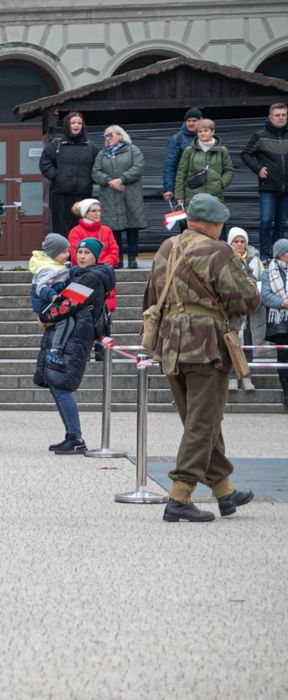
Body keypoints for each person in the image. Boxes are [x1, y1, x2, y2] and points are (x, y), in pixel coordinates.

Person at [143, 193, 261, 522]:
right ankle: (179, 496)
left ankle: (224, 490)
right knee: (202, 422)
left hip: (170, 344)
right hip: (207, 345)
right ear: (213, 224)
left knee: (201, 419)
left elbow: (151, 295)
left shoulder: (167, 247)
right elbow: (247, 298)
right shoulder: (218, 250)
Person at [33, 237, 116, 455]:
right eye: (79, 252)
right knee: (56, 384)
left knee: (62, 385)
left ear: (96, 256)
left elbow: (68, 303)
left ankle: (76, 438)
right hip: (70, 334)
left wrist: (44, 317)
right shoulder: (78, 273)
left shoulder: (91, 277)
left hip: (76, 336)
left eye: (88, 253)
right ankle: (71, 435)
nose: (82, 256)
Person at [92, 125, 146, 269]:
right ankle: (117, 259)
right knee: (113, 229)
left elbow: (138, 167)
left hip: (130, 194)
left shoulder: (133, 150)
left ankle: (133, 258)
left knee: (132, 227)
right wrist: (109, 181)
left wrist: (121, 179)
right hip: (110, 196)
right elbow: (95, 172)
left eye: (111, 135)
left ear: (121, 136)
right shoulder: (102, 154)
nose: (107, 138)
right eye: (106, 136)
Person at [40, 111, 99, 234]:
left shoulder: (91, 147)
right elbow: (45, 162)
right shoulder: (56, 145)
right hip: (60, 194)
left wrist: (90, 179)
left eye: (79, 123)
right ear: (67, 125)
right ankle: (64, 253)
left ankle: (81, 253)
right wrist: (56, 177)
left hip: (83, 194)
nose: (76, 126)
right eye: (73, 123)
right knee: (61, 229)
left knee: (83, 229)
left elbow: (97, 166)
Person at [242, 102, 288, 252]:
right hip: (268, 187)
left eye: (283, 115)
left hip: (287, 188)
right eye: (277, 115)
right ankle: (264, 255)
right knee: (266, 221)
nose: (281, 118)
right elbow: (245, 154)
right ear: (270, 117)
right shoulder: (260, 136)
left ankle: (277, 255)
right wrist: (258, 168)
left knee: (282, 223)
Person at [226, 227, 264, 393]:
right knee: (232, 344)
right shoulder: (224, 259)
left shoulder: (255, 260)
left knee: (247, 343)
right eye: (236, 241)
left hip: (249, 310)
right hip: (231, 310)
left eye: (242, 241)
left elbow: (262, 280)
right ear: (230, 242)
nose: (239, 244)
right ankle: (232, 377)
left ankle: (247, 377)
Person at [67, 199, 121, 313]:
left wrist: (104, 265)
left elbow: (114, 251)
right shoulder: (75, 232)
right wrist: (99, 266)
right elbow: (75, 254)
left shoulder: (106, 230)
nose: (98, 213)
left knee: (104, 318)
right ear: (85, 213)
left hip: (104, 275)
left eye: (99, 210)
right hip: (84, 277)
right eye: (94, 211)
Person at [172, 118, 233, 206]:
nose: (203, 133)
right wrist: (179, 196)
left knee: (214, 219)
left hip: (215, 196)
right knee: (194, 220)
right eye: (200, 131)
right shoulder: (189, 150)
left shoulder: (222, 150)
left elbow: (229, 171)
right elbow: (181, 174)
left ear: (212, 132)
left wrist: (221, 184)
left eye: (205, 130)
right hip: (193, 197)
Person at [259, 237, 288, 409]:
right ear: (281, 255)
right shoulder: (268, 271)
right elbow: (266, 295)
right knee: (283, 359)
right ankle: (287, 394)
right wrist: (283, 303)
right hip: (278, 322)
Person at [162, 107, 203, 205]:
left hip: (206, 186)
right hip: (184, 187)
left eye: (194, 120)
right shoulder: (178, 139)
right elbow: (169, 165)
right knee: (187, 218)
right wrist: (168, 188)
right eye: (188, 121)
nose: (191, 123)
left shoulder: (207, 137)